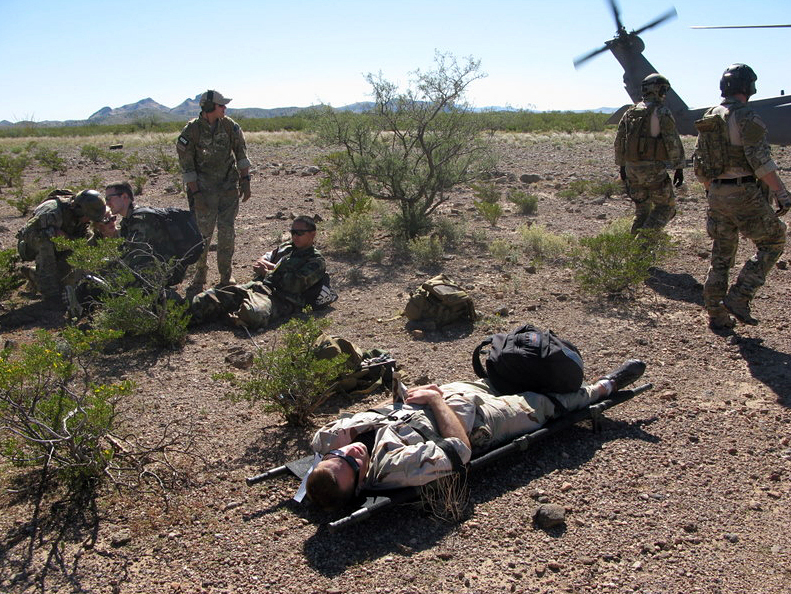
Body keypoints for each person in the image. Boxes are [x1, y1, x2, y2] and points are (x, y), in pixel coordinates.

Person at [306, 360, 647, 511]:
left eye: (340, 456)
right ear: (359, 485)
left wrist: (344, 442)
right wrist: (436, 401)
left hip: (451, 396)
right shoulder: (396, 468)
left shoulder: (339, 450)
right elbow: (459, 450)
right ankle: (604, 387)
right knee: (546, 405)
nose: (352, 452)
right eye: (352, 463)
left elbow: (322, 438)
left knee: (511, 368)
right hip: (484, 420)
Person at [694, 64, 789, 330]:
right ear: (748, 87)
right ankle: (739, 296)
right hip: (743, 192)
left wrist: (713, 190)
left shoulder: (710, 116)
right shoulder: (747, 117)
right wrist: (782, 193)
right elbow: (761, 162)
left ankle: (716, 313)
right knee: (773, 240)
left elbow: (699, 165)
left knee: (721, 254)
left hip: (716, 193)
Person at [189, 215, 327, 329]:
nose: (295, 236)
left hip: (279, 298)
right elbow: (263, 259)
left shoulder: (316, 261)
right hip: (255, 287)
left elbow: (293, 285)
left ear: (312, 234)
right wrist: (271, 269)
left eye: (300, 233)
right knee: (206, 299)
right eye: (293, 232)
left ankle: (232, 315)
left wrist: (268, 272)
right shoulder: (286, 247)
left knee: (254, 314)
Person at [176, 90, 252, 292]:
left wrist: (245, 180)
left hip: (228, 188)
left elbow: (241, 153)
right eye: (221, 105)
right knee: (203, 235)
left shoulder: (230, 126)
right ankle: (200, 275)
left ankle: (226, 275)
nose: (224, 108)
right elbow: (187, 167)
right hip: (203, 191)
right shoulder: (190, 132)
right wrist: (197, 195)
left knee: (227, 232)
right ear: (209, 108)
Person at [614, 73, 685, 234]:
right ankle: (642, 247)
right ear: (658, 90)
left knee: (642, 211)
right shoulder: (661, 112)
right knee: (665, 208)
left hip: (632, 169)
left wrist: (622, 167)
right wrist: (679, 167)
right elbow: (672, 140)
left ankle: (633, 251)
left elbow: (619, 142)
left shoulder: (630, 112)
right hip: (652, 170)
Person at [16, 189, 110, 301]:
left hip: (62, 246)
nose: (88, 220)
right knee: (46, 243)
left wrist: (68, 240)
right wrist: (54, 234)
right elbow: (26, 233)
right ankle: (50, 295)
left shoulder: (81, 215)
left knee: (65, 279)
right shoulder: (52, 210)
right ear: (79, 210)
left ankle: (33, 274)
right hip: (30, 246)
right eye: (88, 216)